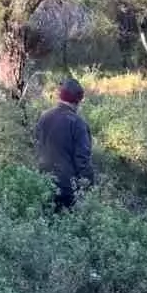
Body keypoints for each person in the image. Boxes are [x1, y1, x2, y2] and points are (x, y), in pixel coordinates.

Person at [34, 77, 95, 210]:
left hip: (41, 181)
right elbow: (82, 160)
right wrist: (89, 186)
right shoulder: (78, 123)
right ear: (78, 100)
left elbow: (37, 147)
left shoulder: (44, 117)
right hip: (67, 187)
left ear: (60, 97)